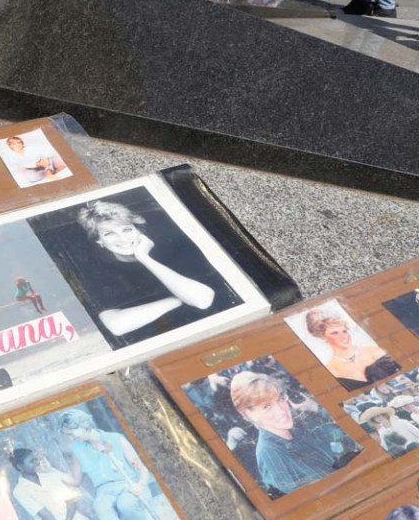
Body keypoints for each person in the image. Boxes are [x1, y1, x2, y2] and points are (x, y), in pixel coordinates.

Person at [75, 198, 216, 343]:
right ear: (99, 241)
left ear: (139, 231)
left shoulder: (174, 250)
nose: (122, 238)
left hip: (210, 329)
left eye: (127, 229)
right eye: (109, 234)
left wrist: (144, 258)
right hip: (160, 342)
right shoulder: (101, 274)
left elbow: (202, 301)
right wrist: (179, 298)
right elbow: (116, 326)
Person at [59, 407, 165, 520]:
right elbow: (76, 480)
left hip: (130, 485)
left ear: (83, 425)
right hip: (104, 491)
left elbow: (141, 469)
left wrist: (140, 484)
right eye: (67, 435)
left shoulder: (116, 439)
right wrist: (50, 472)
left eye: (72, 433)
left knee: (126, 504)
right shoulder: (77, 449)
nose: (71, 438)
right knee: (101, 508)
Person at [230, 369, 358, 496]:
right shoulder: (270, 452)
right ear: (246, 414)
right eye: (267, 407)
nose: (281, 410)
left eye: (280, 399)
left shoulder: (297, 432)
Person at [305, 307, 400, 390]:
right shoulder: (332, 369)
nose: (344, 337)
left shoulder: (375, 352)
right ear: (323, 337)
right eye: (335, 333)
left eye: (344, 331)